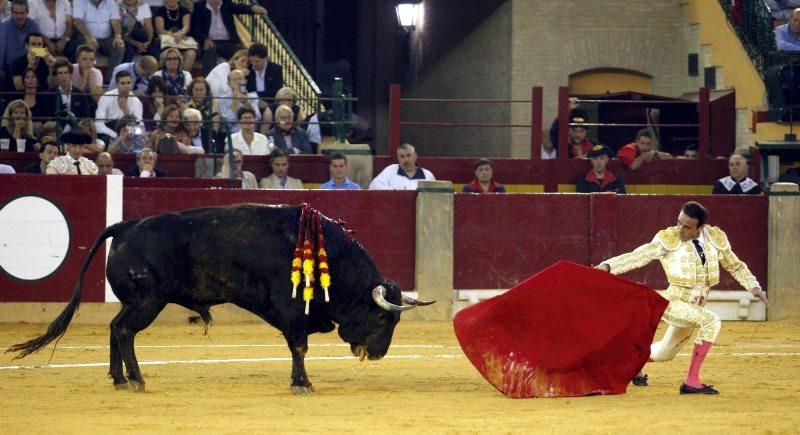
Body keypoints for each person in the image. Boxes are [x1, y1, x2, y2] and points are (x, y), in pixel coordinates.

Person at [595, 201, 768, 394]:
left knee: (664, 353)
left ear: (700, 227)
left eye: (687, 226)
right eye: (679, 222)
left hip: (695, 307)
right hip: (674, 302)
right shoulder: (668, 239)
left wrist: (753, 286)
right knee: (711, 321)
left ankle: (628, 362)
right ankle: (691, 381)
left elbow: (734, 265)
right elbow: (639, 255)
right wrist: (608, 267)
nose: (680, 229)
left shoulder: (714, 238)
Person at [190, 0, 267, 75]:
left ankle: (245, 82)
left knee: (245, 54)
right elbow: (195, 27)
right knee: (209, 51)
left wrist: (252, 8)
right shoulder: (199, 6)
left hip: (229, 42)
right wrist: (205, 39)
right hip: (211, 42)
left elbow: (239, 7)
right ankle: (209, 80)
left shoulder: (226, 3)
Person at [68, 0, 124, 80]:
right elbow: (77, 21)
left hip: (106, 39)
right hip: (85, 37)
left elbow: (115, 21)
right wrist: (89, 37)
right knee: (89, 47)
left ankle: (109, 81)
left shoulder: (110, 2)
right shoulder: (79, 1)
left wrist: (118, 36)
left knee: (119, 46)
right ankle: (87, 79)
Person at [0, 0, 41, 88]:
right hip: (9, 66)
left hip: (28, 64)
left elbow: (39, 49)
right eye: (16, 13)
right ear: (11, 13)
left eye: (22, 13)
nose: (19, 16)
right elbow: (1, 50)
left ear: (27, 12)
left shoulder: (34, 26)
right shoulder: (4, 25)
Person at [95, 70, 144, 141]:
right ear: (117, 84)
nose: (126, 86)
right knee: (104, 139)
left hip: (128, 132)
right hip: (109, 132)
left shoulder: (136, 102)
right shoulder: (106, 97)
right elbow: (98, 125)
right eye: (123, 83)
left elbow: (140, 128)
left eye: (128, 83)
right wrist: (116, 136)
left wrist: (126, 112)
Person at [369, 143, 435, 190]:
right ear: (398, 158)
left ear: (415, 156)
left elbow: (434, 195)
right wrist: (395, 191)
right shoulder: (390, 170)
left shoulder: (427, 175)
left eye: (409, 155)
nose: (406, 160)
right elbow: (373, 186)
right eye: (402, 156)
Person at [154, 0, 196, 70]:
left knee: (191, 53)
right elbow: (160, 29)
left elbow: (187, 27)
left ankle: (183, 76)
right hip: (167, 41)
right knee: (173, 53)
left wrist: (180, 33)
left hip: (182, 41)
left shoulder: (184, 10)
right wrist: (174, 35)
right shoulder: (160, 11)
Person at [218, 68, 261, 133]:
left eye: (240, 79)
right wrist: (235, 101)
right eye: (235, 79)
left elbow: (257, 118)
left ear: (245, 81)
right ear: (229, 83)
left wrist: (246, 103)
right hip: (231, 134)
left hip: (250, 132)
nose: (238, 82)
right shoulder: (223, 99)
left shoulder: (253, 96)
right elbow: (229, 122)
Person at [245, 42, 283, 113]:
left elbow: (276, 90)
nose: (254, 64)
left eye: (257, 61)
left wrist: (261, 100)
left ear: (265, 58)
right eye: (251, 61)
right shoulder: (247, 69)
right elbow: (242, 89)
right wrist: (256, 100)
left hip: (270, 104)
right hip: (250, 105)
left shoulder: (275, 69)